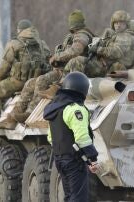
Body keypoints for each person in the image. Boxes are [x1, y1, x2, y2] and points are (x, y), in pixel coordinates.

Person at [12, 10, 95, 123]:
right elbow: (66, 52)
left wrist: (57, 57)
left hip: (72, 74)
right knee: (34, 82)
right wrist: (55, 59)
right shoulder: (71, 36)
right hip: (62, 69)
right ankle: (22, 113)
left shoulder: (83, 35)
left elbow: (76, 50)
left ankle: (31, 112)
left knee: (42, 81)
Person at [43, 71, 98, 202]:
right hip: (74, 161)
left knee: (69, 196)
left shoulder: (56, 108)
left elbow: (51, 138)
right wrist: (92, 159)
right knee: (78, 198)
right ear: (81, 90)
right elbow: (82, 138)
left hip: (60, 159)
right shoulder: (75, 109)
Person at [67, 10, 134, 77]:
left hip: (108, 67)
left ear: (126, 24)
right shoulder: (115, 35)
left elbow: (117, 52)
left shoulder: (126, 37)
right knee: (71, 63)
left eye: (121, 22)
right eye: (116, 22)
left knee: (76, 62)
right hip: (104, 64)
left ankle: (73, 90)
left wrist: (98, 49)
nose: (118, 25)